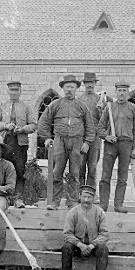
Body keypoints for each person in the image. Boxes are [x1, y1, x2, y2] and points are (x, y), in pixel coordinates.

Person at [38, 75, 96, 210]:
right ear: (63, 88)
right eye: (67, 87)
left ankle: (73, 202)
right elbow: (43, 122)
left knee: (75, 173)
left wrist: (87, 142)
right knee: (57, 172)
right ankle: (55, 202)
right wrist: (47, 138)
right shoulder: (55, 104)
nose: (69, 90)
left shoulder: (82, 106)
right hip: (60, 141)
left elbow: (90, 125)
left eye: (72, 87)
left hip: (77, 142)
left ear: (76, 89)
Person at [97, 81, 135, 213]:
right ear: (116, 92)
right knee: (105, 175)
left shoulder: (134, 108)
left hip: (126, 144)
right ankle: (103, 204)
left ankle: (118, 204)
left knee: (123, 176)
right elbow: (100, 128)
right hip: (111, 144)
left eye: (124, 90)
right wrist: (106, 136)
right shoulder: (109, 108)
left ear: (128, 92)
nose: (122, 93)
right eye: (119, 90)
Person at [0, 81, 38, 208]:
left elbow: (34, 125)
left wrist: (22, 129)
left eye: (16, 90)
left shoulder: (26, 107)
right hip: (4, 142)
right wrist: (5, 126)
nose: (14, 92)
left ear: (20, 91)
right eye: (11, 90)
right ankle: (3, 197)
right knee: (2, 169)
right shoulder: (2, 106)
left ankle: (18, 198)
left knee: (19, 170)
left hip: (20, 143)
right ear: (8, 91)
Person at [61, 185, 110, 270]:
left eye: (89, 197)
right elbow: (67, 234)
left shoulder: (99, 212)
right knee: (66, 247)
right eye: (84, 197)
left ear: (94, 198)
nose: (86, 200)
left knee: (103, 248)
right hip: (77, 247)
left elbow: (105, 234)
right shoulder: (73, 212)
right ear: (80, 196)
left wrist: (92, 245)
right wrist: (79, 244)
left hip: (93, 247)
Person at [79, 72, 110, 189]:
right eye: (87, 83)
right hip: (82, 137)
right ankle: (80, 192)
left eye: (91, 82)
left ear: (94, 84)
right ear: (84, 84)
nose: (89, 85)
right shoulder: (79, 100)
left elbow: (105, 121)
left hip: (95, 137)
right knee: (80, 165)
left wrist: (100, 110)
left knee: (92, 167)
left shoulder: (100, 100)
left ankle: (90, 192)